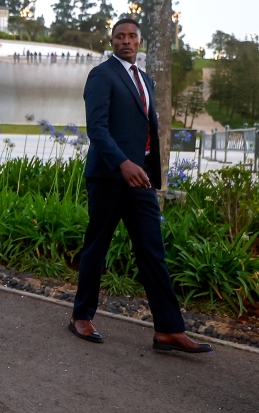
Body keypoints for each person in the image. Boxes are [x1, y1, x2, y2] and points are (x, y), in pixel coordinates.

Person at [70, 19, 211, 353]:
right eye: (120, 37)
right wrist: (123, 163)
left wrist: (145, 167)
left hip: (141, 180)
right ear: (112, 41)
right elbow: (98, 129)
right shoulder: (102, 75)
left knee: (153, 251)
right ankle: (81, 315)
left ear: (140, 41)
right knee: (97, 247)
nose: (126, 41)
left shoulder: (145, 79)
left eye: (132, 36)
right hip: (108, 177)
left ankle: (168, 330)